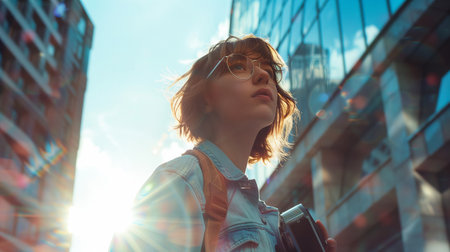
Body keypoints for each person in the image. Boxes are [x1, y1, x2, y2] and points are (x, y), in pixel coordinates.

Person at [110, 35, 337, 251]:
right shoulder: (181, 181)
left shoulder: (268, 219)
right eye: (239, 66)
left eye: (268, 71)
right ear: (206, 98)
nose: (263, 76)